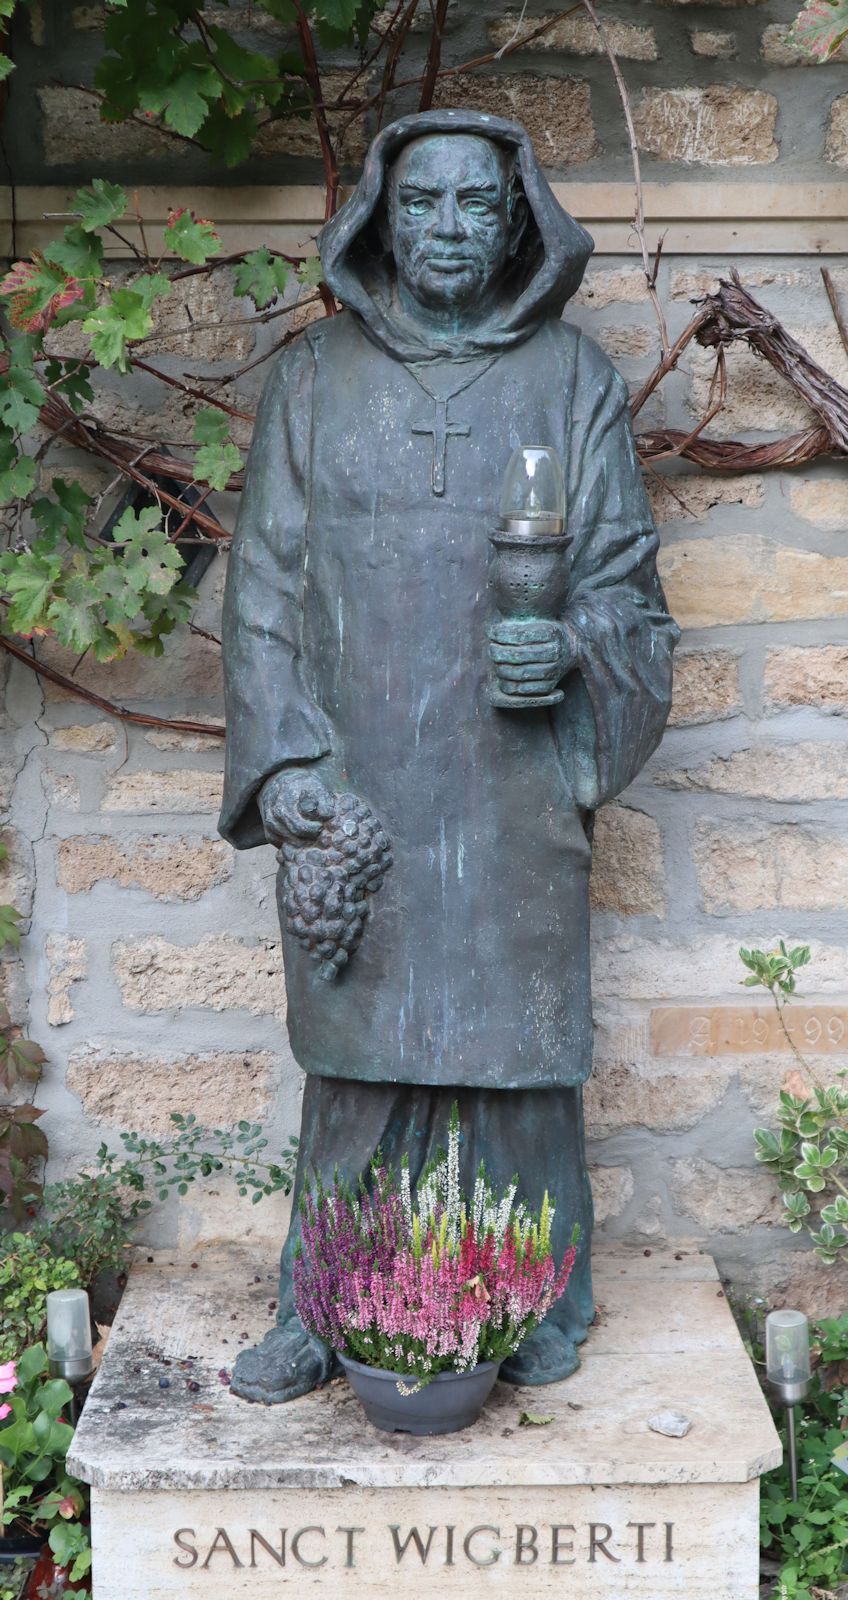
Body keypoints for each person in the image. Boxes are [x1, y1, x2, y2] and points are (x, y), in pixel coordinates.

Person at [219, 108, 678, 1404]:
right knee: (357, 1059)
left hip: (514, 784)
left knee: (516, 1052)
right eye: (422, 204)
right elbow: (260, 592)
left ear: (516, 218)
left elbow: (628, 588)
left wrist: (577, 652)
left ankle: (532, 1293)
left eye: (477, 204)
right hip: (360, 780)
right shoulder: (312, 382)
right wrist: (293, 775)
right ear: (381, 216)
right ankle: (324, 1300)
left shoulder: (574, 381)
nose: (448, 230)